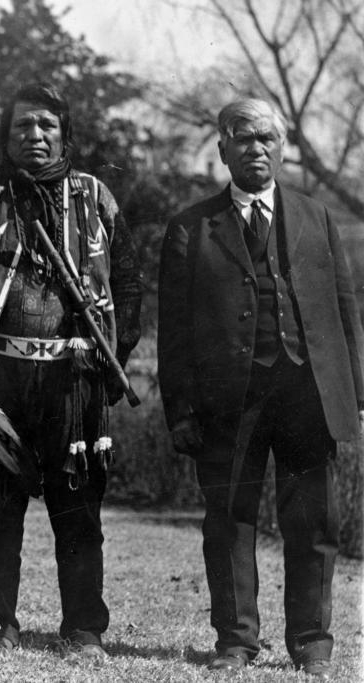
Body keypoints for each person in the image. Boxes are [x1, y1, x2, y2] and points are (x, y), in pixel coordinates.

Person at [158, 98, 363, 679]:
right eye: (244, 138)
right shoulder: (191, 227)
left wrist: (358, 396)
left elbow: (345, 313)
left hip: (308, 395)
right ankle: (237, 642)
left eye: (268, 137)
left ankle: (312, 642)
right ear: (222, 148)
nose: (258, 148)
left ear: (282, 146)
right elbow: (172, 333)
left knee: (314, 523)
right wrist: (180, 411)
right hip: (228, 402)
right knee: (228, 521)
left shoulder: (316, 216)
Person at [0, 82, 142, 661]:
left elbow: (128, 285)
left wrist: (114, 359)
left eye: (47, 126)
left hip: (76, 379)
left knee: (78, 507)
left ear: (65, 135)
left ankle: (83, 629)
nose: (35, 135)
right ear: (7, 135)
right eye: (23, 125)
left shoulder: (95, 197)